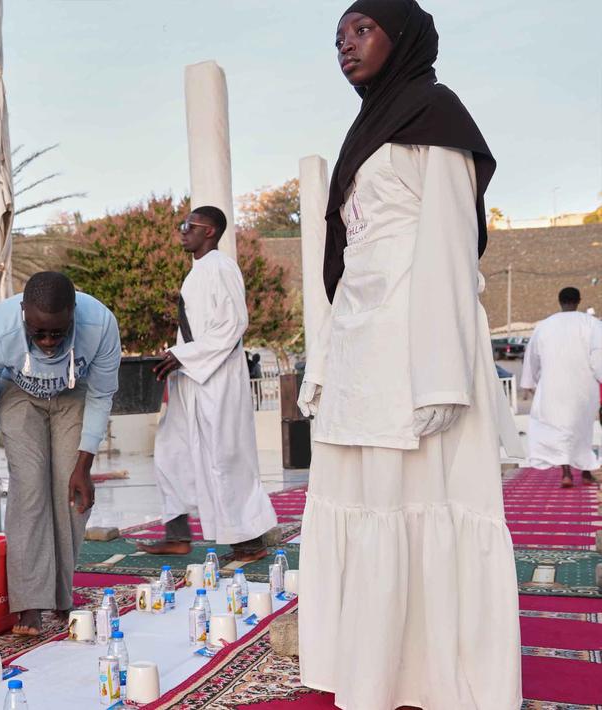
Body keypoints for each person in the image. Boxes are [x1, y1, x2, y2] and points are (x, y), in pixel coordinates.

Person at [296, 3, 521, 708]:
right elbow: (345, 263)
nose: (344, 46)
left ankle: (444, 679)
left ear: (404, 36)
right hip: (361, 344)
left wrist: (442, 374)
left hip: (416, 348)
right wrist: (324, 363)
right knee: (366, 506)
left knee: (418, 504)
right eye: (336, 37)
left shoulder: (434, 114)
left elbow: (449, 248)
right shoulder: (366, 128)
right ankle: (374, 672)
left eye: (360, 30)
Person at [0, 272, 121, 635]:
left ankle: (62, 596)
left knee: (71, 492)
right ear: (22, 314)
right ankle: (29, 603)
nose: (48, 342)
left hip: (75, 394)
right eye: (39, 332)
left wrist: (85, 464)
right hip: (18, 396)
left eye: (57, 332)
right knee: (29, 490)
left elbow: (101, 395)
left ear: (73, 314)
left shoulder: (101, 324)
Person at [141, 206, 277, 561]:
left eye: (190, 226)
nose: (182, 231)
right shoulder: (197, 272)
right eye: (182, 225)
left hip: (217, 382)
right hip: (191, 379)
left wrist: (185, 355)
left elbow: (234, 324)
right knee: (171, 450)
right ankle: (177, 533)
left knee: (225, 457)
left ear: (210, 232)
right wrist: (177, 357)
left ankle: (249, 543)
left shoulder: (221, 266)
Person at [520, 287, 602, 487]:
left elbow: (532, 357)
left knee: (560, 429)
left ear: (560, 301)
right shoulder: (591, 324)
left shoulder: (545, 325)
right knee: (582, 428)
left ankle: (566, 473)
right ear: (579, 301)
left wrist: (531, 382)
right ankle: (585, 472)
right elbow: (598, 355)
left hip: (553, 386)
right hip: (583, 386)